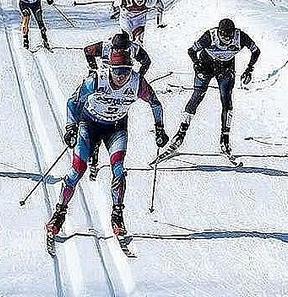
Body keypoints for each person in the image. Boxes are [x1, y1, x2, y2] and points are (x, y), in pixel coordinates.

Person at [45, 51, 167, 243]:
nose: (121, 76)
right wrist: (70, 127)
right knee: (77, 169)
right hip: (89, 125)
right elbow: (73, 102)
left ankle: (117, 215)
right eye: (117, 71)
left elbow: (155, 103)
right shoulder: (97, 80)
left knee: (118, 170)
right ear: (110, 68)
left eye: (126, 71)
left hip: (116, 128)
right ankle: (59, 213)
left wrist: (159, 128)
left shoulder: (137, 83)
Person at [155, 18, 260, 162]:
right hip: (206, 65)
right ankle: (180, 135)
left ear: (233, 33)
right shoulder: (210, 36)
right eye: (223, 36)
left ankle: (225, 139)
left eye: (229, 36)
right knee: (197, 96)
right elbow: (191, 51)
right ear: (219, 32)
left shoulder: (240, 37)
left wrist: (249, 69)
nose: (226, 40)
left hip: (226, 68)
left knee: (226, 100)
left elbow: (256, 51)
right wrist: (197, 65)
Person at [82, 32, 152, 178]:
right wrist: (93, 69)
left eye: (123, 49)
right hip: (103, 83)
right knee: (96, 121)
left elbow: (146, 61)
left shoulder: (134, 48)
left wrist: (138, 78)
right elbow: (87, 51)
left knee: (115, 120)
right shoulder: (105, 46)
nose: (120, 51)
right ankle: (93, 157)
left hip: (122, 84)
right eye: (117, 49)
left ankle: (114, 161)